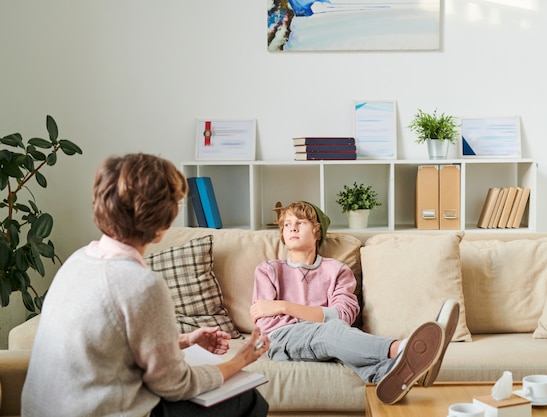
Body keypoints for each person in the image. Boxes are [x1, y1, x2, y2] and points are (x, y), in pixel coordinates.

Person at [22, 153, 270, 417]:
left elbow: (114, 344)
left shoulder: (78, 260)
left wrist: (186, 340)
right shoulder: (142, 284)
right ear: (163, 224)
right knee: (248, 399)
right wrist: (238, 362)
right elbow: (176, 386)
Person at [250, 201, 459, 404]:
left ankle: (392, 374)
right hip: (282, 340)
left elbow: (343, 315)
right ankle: (401, 348)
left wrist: (283, 306)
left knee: (343, 342)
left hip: (330, 338)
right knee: (333, 332)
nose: (292, 228)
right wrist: (319, 318)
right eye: (287, 224)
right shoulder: (268, 270)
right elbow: (267, 324)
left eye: (301, 222)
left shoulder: (337, 270)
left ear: (317, 231)